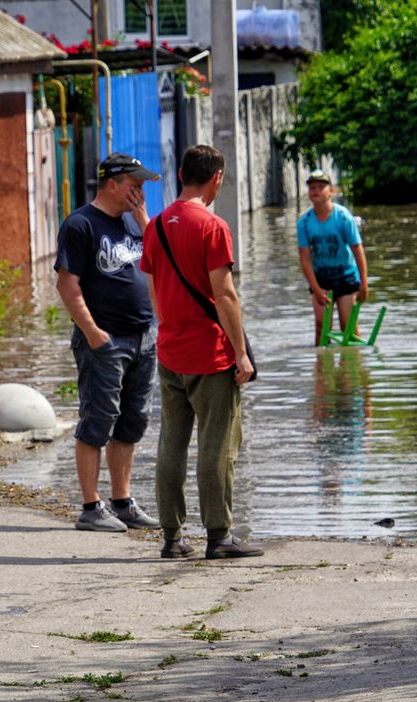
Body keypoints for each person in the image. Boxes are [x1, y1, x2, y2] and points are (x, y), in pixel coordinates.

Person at [140, 144, 263, 560]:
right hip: (210, 354)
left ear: (180, 174)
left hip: (169, 350)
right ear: (217, 178)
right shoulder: (213, 227)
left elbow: (154, 291)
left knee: (171, 444)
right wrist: (241, 352)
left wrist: (170, 328)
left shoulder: (154, 227)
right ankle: (219, 536)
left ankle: (172, 538)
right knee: (217, 445)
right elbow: (225, 295)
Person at [54, 152, 162, 532]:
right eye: (135, 184)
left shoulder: (135, 225)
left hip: (143, 335)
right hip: (104, 339)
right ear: (112, 184)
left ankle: (122, 500)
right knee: (98, 419)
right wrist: (93, 333)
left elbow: (160, 262)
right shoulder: (81, 225)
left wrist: (144, 220)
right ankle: (90, 506)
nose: (140, 191)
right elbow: (68, 285)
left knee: (133, 421)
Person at [297, 170, 369, 346]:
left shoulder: (343, 217)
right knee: (321, 327)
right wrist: (315, 288)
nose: (316, 191)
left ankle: (353, 369)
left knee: (348, 327)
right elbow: (305, 258)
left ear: (331, 191)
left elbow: (358, 250)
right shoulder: (304, 222)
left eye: (321, 187)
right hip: (321, 278)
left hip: (346, 276)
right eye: (312, 188)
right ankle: (321, 371)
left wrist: (364, 284)